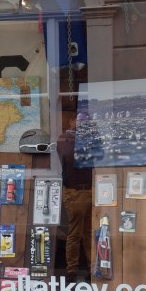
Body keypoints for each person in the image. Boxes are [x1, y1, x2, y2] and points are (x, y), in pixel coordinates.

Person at [57, 112, 93, 280]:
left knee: (88, 232)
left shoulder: (83, 138)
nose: (82, 124)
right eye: (79, 120)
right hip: (75, 191)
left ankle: (91, 269)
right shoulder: (65, 139)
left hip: (88, 190)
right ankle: (72, 270)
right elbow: (72, 157)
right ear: (71, 121)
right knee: (76, 232)